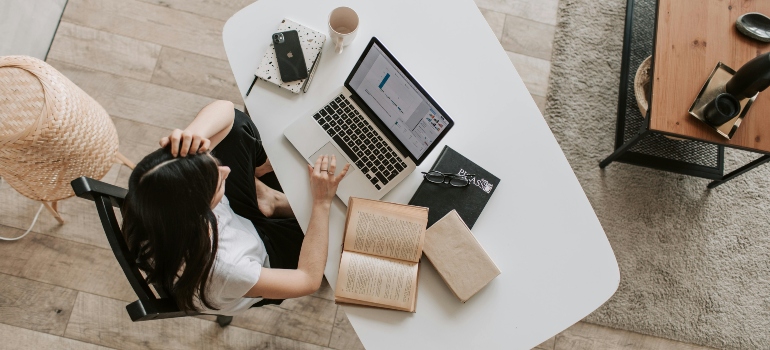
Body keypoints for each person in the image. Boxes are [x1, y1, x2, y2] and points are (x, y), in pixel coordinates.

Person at [121, 100, 349, 316]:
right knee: (340, 229)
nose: (226, 171)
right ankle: (271, 200)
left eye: (213, 164)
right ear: (202, 210)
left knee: (238, 127)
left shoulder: (152, 194)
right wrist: (321, 202)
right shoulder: (229, 269)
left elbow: (227, 112)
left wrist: (193, 135)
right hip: (264, 258)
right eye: (217, 180)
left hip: (233, 226)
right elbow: (307, 280)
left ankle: (268, 199)